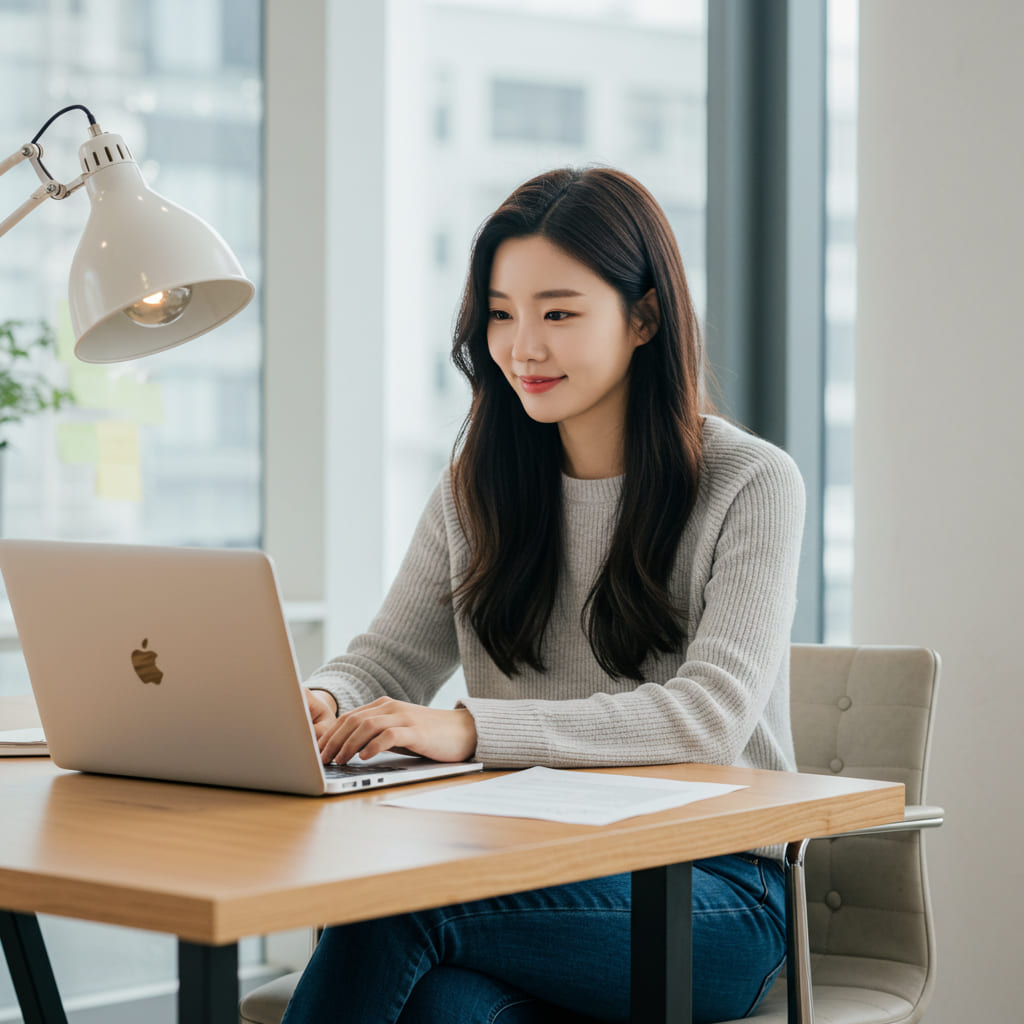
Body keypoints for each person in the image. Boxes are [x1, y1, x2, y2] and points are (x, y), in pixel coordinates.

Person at [282, 166, 805, 1024]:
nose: (522, 347)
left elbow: (708, 716)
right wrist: (325, 698)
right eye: (501, 314)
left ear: (643, 318)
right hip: (526, 861)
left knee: (399, 902)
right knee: (439, 1005)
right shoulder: (476, 486)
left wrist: (470, 728)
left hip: (709, 889)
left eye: (558, 314)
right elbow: (391, 657)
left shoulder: (750, 482)